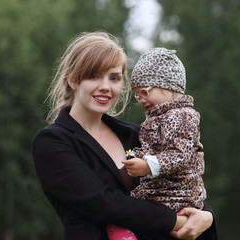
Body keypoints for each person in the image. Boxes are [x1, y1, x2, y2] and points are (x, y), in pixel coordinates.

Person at [31, 31, 218, 240]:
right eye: (94, 76)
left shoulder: (134, 135)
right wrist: (176, 220)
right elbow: (102, 202)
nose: (105, 87)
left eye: (114, 78)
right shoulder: (53, 142)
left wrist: (206, 216)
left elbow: (179, 182)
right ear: (73, 80)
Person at [123, 47, 207, 213]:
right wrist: (130, 155)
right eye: (138, 96)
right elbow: (149, 150)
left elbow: (179, 155)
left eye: (145, 92)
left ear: (169, 86)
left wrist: (147, 166)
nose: (142, 100)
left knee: (128, 213)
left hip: (179, 195)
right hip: (157, 192)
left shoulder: (184, 116)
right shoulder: (153, 120)